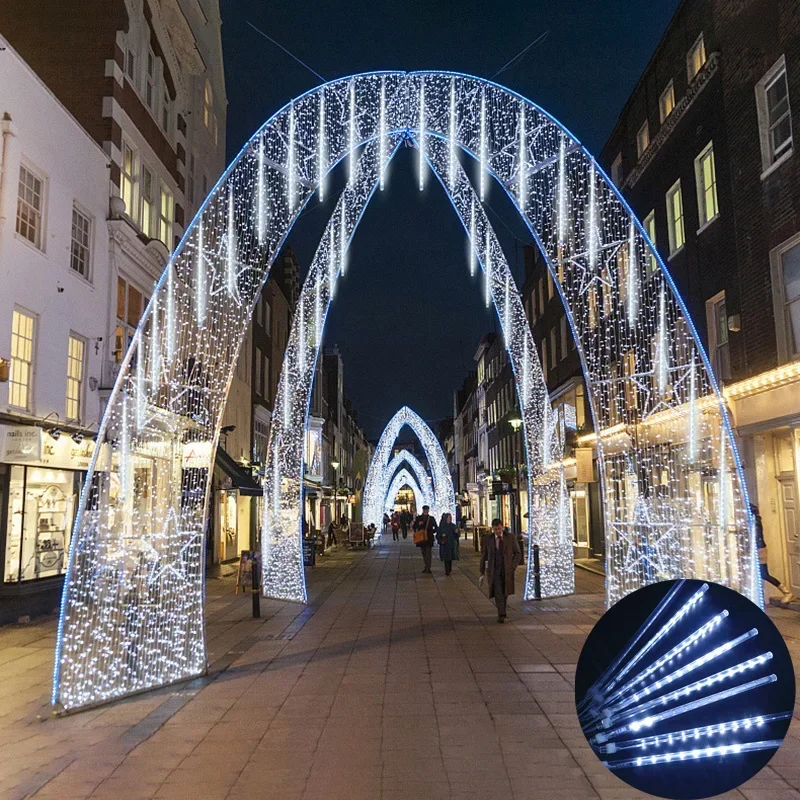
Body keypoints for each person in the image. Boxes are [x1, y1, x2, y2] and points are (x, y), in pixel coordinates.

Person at [479, 518, 522, 623]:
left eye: (498, 529)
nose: (497, 532)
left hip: (506, 570)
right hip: (494, 570)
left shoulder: (510, 538)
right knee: (498, 592)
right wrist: (481, 572)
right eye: (495, 530)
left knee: (505, 591)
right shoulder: (488, 539)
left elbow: (518, 553)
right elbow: (484, 556)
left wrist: (513, 566)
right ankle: (501, 614)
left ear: (502, 527)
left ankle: (502, 611)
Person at [753, 503, 795, 606]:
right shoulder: (755, 522)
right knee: (761, 575)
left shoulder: (755, 522)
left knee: (764, 574)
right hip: (758, 548)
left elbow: (757, 536)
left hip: (759, 549)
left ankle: (787, 592)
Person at [414, 505, 438, 573]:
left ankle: (428, 568)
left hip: (429, 538)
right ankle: (426, 566)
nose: (426, 511)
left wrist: (431, 532)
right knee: (424, 553)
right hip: (421, 538)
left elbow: (436, 527)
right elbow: (414, 526)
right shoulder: (419, 518)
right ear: (423, 510)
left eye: (427, 510)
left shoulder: (431, 518)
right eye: (425, 510)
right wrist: (418, 524)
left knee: (428, 553)